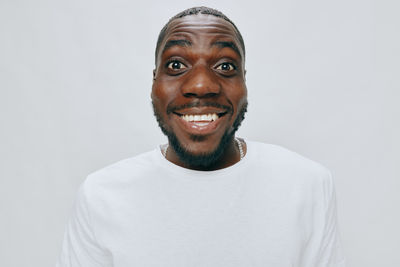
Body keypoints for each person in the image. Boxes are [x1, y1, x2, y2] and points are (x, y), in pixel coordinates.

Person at [57, 6, 346, 267]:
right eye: (176, 65)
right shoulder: (102, 196)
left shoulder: (306, 184)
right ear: (154, 81)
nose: (201, 84)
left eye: (225, 66)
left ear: (244, 82)